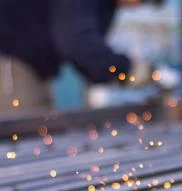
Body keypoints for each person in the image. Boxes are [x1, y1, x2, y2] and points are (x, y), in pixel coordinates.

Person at [0, 0, 161, 117]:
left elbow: (84, 55)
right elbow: (78, 45)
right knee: (25, 136)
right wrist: (127, 69)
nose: (138, 5)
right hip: (10, 61)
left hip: (31, 66)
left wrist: (120, 71)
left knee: (42, 127)